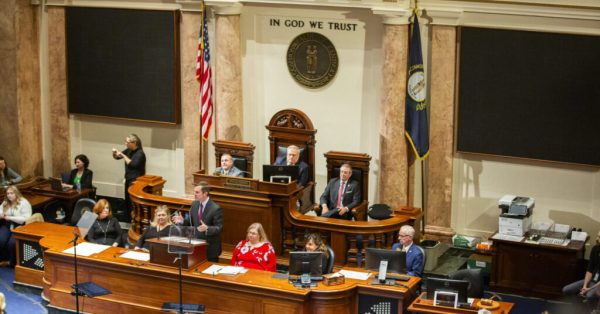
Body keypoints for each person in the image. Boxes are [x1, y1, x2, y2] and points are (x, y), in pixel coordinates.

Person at [172, 182, 223, 262]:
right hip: (195, 245)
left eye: (197, 192)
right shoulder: (195, 204)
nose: (194, 194)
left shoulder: (215, 208)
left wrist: (207, 228)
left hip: (209, 248)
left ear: (205, 193)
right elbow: (191, 222)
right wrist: (182, 221)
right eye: (194, 192)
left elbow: (219, 228)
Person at [112, 134, 146, 221]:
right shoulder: (129, 150)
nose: (125, 144)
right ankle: (128, 219)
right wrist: (115, 153)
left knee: (132, 202)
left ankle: (135, 219)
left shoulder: (140, 154)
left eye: (127, 142)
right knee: (127, 201)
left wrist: (123, 155)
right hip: (128, 179)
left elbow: (132, 164)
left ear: (134, 143)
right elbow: (117, 157)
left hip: (136, 181)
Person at [563, 230, 600, 302]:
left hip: (598, 284)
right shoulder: (595, 249)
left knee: (589, 295)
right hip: (592, 280)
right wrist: (584, 286)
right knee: (566, 290)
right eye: (597, 236)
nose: (597, 239)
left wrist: (589, 289)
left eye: (599, 237)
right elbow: (590, 269)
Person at [0, 186, 32, 267]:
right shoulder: (6, 202)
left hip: (20, 226)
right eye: (7, 193)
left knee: (12, 243)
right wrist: (1, 213)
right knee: (1, 239)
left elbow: (25, 219)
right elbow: (0, 208)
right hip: (7, 225)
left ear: (16, 193)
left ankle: (12, 262)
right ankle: (3, 259)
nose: (9, 195)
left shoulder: (24, 202)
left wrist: (9, 217)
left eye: (11, 193)